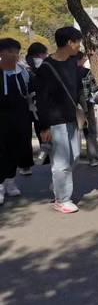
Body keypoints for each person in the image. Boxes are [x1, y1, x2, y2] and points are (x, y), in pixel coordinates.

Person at [35, 27, 85, 214]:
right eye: (78, 42)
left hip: (72, 118)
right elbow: (41, 100)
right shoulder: (46, 68)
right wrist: (44, 127)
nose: (79, 46)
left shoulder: (72, 63)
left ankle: (58, 185)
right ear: (70, 42)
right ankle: (62, 199)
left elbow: (77, 88)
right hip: (55, 122)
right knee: (61, 162)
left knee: (75, 156)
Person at [0, 38, 32, 204]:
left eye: (16, 52)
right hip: (1, 118)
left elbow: (29, 92)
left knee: (15, 149)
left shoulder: (22, 71)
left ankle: (10, 181)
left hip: (19, 116)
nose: (14, 55)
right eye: (10, 51)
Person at [18, 42, 49, 175]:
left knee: (25, 137)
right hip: (39, 105)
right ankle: (48, 159)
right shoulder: (45, 65)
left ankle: (25, 166)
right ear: (41, 54)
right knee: (44, 132)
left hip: (23, 105)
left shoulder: (21, 66)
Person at [76, 51, 98, 167]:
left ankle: (74, 157)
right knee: (90, 132)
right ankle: (92, 158)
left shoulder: (68, 72)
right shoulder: (87, 72)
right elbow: (94, 88)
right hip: (87, 105)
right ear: (80, 59)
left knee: (74, 132)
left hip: (73, 106)